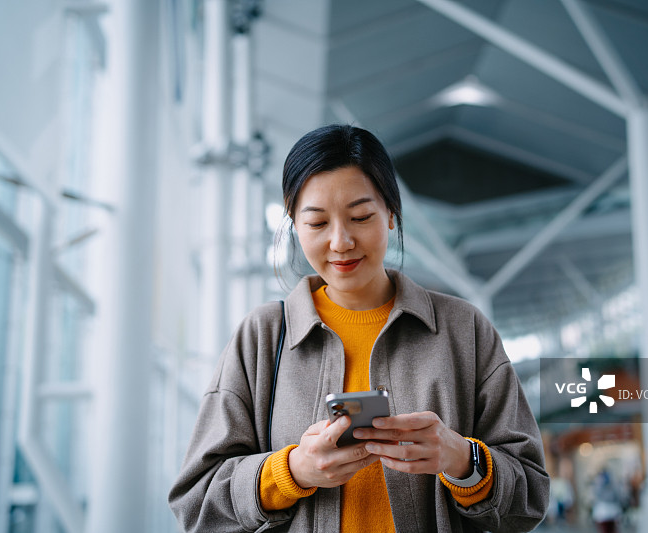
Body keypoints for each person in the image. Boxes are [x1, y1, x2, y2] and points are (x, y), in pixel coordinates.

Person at [168, 124, 549, 532]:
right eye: (317, 223)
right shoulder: (262, 337)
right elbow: (196, 503)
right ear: (294, 224)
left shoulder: (464, 330)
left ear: (391, 214)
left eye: (361, 217)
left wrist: (463, 460)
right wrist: (290, 472)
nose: (341, 242)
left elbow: (530, 499)